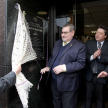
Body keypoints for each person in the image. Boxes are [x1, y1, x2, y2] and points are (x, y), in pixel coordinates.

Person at [40, 23, 86, 108]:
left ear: (72, 33)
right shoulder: (57, 43)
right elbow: (52, 57)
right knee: (56, 105)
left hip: (69, 84)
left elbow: (81, 64)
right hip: (54, 82)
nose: (62, 35)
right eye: (62, 33)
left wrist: (64, 67)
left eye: (65, 33)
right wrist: (49, 67)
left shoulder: (80, 46)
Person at [83, 24, 108, 108]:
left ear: (105, 35)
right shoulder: (89, 43)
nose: (97, 34)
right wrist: (92, 56)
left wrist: (100, 56)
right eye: (97, 32)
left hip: (101, 76)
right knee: (87, 98)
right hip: (89, 76)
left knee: (100, 98)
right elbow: (83, 57)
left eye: (100, 33)